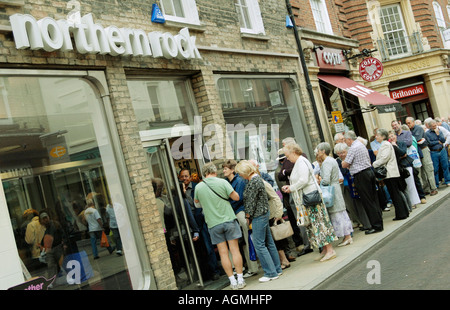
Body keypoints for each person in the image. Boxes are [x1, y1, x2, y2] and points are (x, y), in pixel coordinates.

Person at [281, 143, 338, 262]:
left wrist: (291, 188)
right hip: (308, 196)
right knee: (315, 224)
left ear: (294, 152)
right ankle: (325, 249)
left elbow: (303, 180)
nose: (287, 158)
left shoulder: (301, 162)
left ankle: (330, 250)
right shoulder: (299, 162)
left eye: (287, 155)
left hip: (310, 196)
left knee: (319, 223)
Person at [193, 162, 245, 290]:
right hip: (228, 219)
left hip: (213, 224)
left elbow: (197, 205)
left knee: (223, 253)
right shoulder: (223, 182)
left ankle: (232, 281)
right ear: (214, 171)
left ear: (204, 173)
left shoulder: (199, 187)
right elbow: (236, 197)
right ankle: (240, 279)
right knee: (235, 250)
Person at [235, 160, 282, 282]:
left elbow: (251, 203)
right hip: (264, 213)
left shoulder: (253, 182)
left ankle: (270, 273)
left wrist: (247, 217)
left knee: (259, 244)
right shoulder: (258, 179)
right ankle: (277, 269)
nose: (240, 176)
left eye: (240, 173)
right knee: (269, 242)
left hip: (258, 215)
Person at [342, 131, 383, 234]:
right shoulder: (360, 144)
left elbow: (345, 164)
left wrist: (345, 163)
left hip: (361, 175)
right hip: (368, 172)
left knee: (367, 200)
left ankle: (375, 225)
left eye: (345, 140)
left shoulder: (353, 148)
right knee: (373, 199)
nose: (345, 142)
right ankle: (378, 223)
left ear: (349, 139)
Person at [222, 159, 258, 278]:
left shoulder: (240, 181)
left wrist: (228, 204)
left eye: (225, 168)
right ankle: (243, 267)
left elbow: (240, 198)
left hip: (240, 212)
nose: (223, 171)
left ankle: (253, 267)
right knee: (239, 243)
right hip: (232, 213)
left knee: (248, 241)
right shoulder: (227, 182)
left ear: (232, 170)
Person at [316, 142, 354, 247]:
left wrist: (320, 181)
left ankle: (346, 236)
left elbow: (326, 179)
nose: (317, 153)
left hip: (331, 189)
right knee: (341, 212)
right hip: (335, 187)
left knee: (337, 213)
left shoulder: (326, 162)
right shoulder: (332, 160)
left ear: (323, 151)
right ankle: (348, 236)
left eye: (318, 151)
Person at [373, 129, 410, 220]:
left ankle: (401, 214)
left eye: (377, 135)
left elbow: (385, 158)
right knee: (395, 193)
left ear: (383, 136)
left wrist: (374, 164)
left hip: (390, 173)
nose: (376, 137)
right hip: (391, 173)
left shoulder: (385, 145)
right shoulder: (385, 144)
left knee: (395, 194)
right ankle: (403, 212)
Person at [334, 143, 370, 230]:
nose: (341, 154)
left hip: (355, 182)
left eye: (343, 152)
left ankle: (366, 222)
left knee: (360, 203)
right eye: (339, 153)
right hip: (346, 185)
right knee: (352, 206)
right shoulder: (337, 161)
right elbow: (342, 172)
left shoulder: (350, 158)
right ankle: (360, 221)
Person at [405, 117, 438, 196]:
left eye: (409, 123)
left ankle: (434, 188)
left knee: (428, 169)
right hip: (416, 151)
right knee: (421, 171)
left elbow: (416, 139)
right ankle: (426, 189)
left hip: (423, 149)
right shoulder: (409, 131)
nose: (408, 125)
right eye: (407, 123)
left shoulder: (418, 128)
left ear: (413, 122)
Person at [388, 131, 420, 211]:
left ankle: (414, 202)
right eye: (390, 137)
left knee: (410, 184)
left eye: (393, 136)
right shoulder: (389, 146)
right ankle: (408, 203)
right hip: (398, 167)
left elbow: (403, 153)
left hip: (406, 166)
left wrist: (396, 147)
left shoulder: (401, 143)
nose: (392, 138)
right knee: (404, 186)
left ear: (395, 136)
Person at [39, 210, 66, 285]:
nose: (45, 220)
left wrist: (64, 243)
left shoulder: (53, 225)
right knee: (52, 265)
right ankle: (52, 281)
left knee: (59, 264)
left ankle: (53, 280)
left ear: (48, 217)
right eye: (43, 219)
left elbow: (61, 234)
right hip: (52, 248)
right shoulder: (47, 227)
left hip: (57, 247)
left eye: (46, 218)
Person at [424, 118, 450, 187]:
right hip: (434, 152)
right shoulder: (427, 133)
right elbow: (429, 143)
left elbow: (443, 140)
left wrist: (438, 135)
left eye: (435, 125)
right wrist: (437, 142)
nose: (435, 127)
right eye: (433, 126)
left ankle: (447, 181)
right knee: (435, 168)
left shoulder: (439, 131)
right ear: (429, 127)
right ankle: (436, 184)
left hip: (442, 150)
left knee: (445, 166)